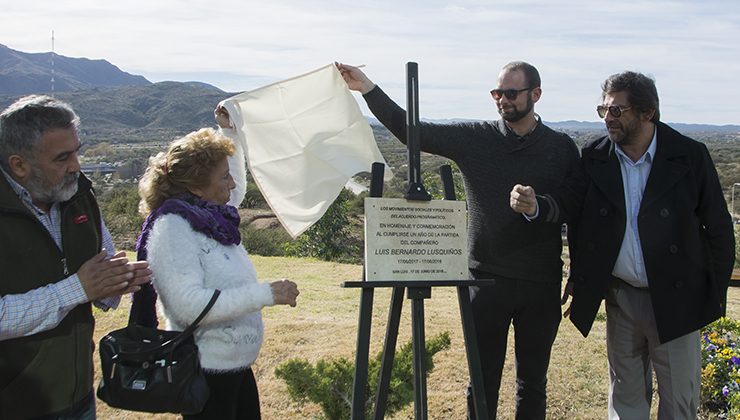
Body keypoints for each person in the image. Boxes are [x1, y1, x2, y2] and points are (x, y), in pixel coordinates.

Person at [338, 61, 581, 419]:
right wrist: (369, 89)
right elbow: (411, 131)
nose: (502, 101)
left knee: (533, 385)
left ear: (536, 95)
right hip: (484, 280)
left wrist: (537, 207)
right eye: (497, 93)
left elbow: (575, 208)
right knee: (482, 382)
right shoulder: (476, 138)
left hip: (540, 283)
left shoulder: (562, 148)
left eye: (511, 94)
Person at [510, 71, 736, 419]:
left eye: (617, 111)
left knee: (679, 402)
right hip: (622, 297)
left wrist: (710, 292)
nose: (607, 120)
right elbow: (583, 222)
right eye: (603, 110)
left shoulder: (689, 156)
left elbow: (719, 230)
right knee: (625, 400)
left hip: (677, 298)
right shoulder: (596, 155)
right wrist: (576, 268)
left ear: (647, 113)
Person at [0, 95, 151, 419]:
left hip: (78, 395)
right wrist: (78, 289)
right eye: (62, 158)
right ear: (19, 165)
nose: (76, 166)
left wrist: (117, 281)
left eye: (77, 152)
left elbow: (100, 271)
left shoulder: (79, 194)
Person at [136, 126, 300, 419]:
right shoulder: (173, 228)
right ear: (196, 187)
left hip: (234, 371)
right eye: (225, 176)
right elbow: (187, 306)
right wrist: (266, 294)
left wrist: (229, 130)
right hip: (206, 377)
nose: (232, 182)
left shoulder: (209, 218)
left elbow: (232, 185)